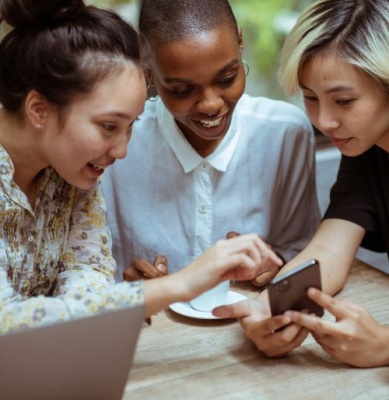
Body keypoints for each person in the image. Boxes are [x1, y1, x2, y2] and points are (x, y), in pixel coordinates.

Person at [0, 0, 277, 336]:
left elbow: (88, 276)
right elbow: (7, 322)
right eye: (108, 126)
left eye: (131, 125)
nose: (121, 150)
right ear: (39, 109)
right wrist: (181, 284)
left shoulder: (69, 171)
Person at [213, 0, 389, 368]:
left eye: (343, 100)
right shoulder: (367, 152)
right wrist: (270, 309)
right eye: (310, 98)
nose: (325, 120)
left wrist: (384, 347)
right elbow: (329, 251)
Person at [102, 0, 320, 285]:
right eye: (182, 90)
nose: (211, 105)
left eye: (227, 78)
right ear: (147, 69)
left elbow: (304, 252)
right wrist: (127, 286)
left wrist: (274, 263)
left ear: (240, 42)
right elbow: (91, 274)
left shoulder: (285, 134)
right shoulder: (117, 149)